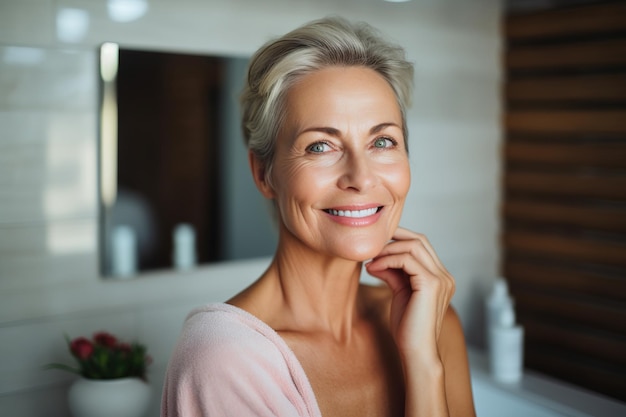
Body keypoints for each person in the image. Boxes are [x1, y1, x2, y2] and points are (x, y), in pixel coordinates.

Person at [162, 16, 475, 417]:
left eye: (382, 141)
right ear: (264, 173)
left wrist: (422, 364)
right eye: (320, 147)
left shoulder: (431, 323)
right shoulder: (223, 359)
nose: (361, 178)